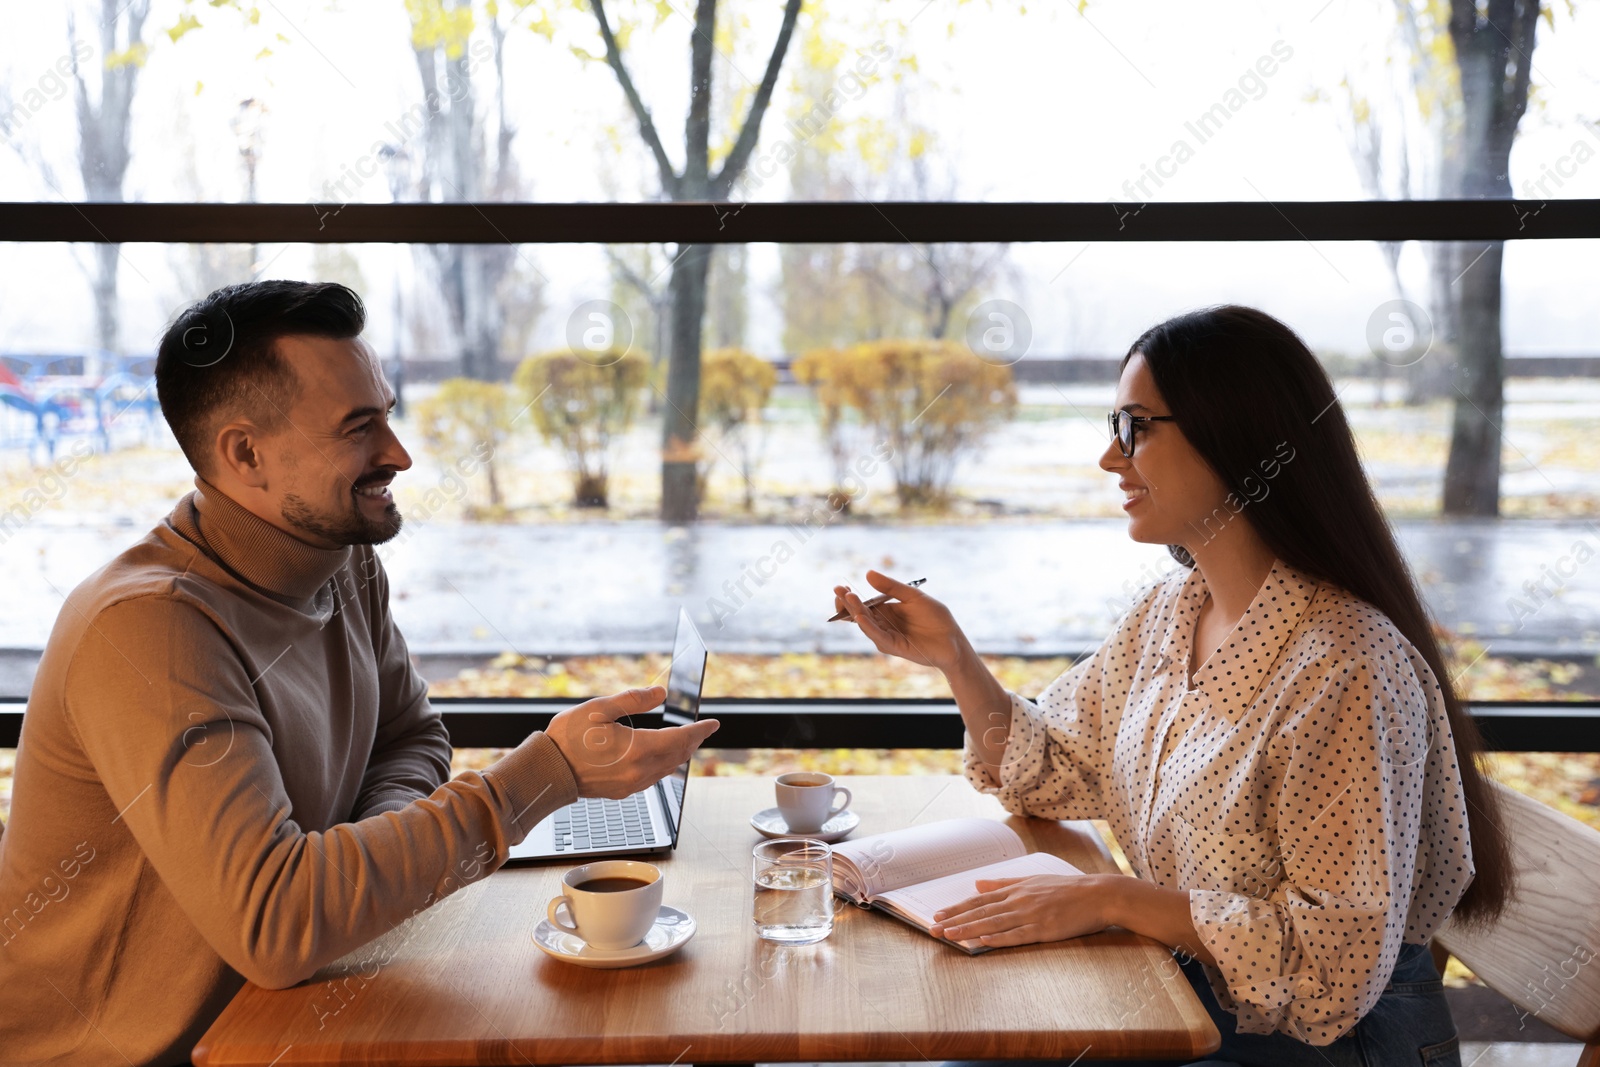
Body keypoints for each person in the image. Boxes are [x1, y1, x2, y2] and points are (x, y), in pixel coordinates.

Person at [0, 280, 719, 1066]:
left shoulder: (342, 560)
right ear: (245, 453)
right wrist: (538, 780)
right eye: (359, 426)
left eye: (388, 412)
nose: (399, 453)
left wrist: (357, 864)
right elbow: (277, 922)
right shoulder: (150, 628)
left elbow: (411, 735)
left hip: (287, 1015)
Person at [832, 306, 1511, 1066]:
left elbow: (1332, 968)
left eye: (1136, 427)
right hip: (1194, 992)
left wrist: (1110, 897)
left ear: (1237, 435)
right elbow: (1052, 769)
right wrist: (955, 657)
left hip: (1326, 1041)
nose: (1109, 458)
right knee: (970, 1027)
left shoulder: (1346, 667)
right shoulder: (1169, 613)